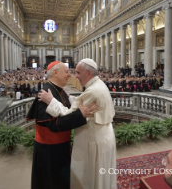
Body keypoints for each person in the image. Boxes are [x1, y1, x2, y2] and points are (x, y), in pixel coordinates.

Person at [39, 58, 117, 189]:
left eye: (78, 73)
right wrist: (70, 98)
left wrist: (51, 101)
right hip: (104, 136)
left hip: (93, 141)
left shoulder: (92, 91)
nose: (75, 76)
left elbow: (70, 113)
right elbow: (82, 102)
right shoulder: (98, 84)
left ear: (89, 74)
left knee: (88, 178)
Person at [26, 61, 98, 189]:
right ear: (55, 72)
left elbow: (67, 111)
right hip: (49, 153)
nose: (69, 75)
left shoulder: (59, 91)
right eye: (66, 72)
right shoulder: (45, 94)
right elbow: (54, 125)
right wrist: (80, 115)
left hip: (60, 149)